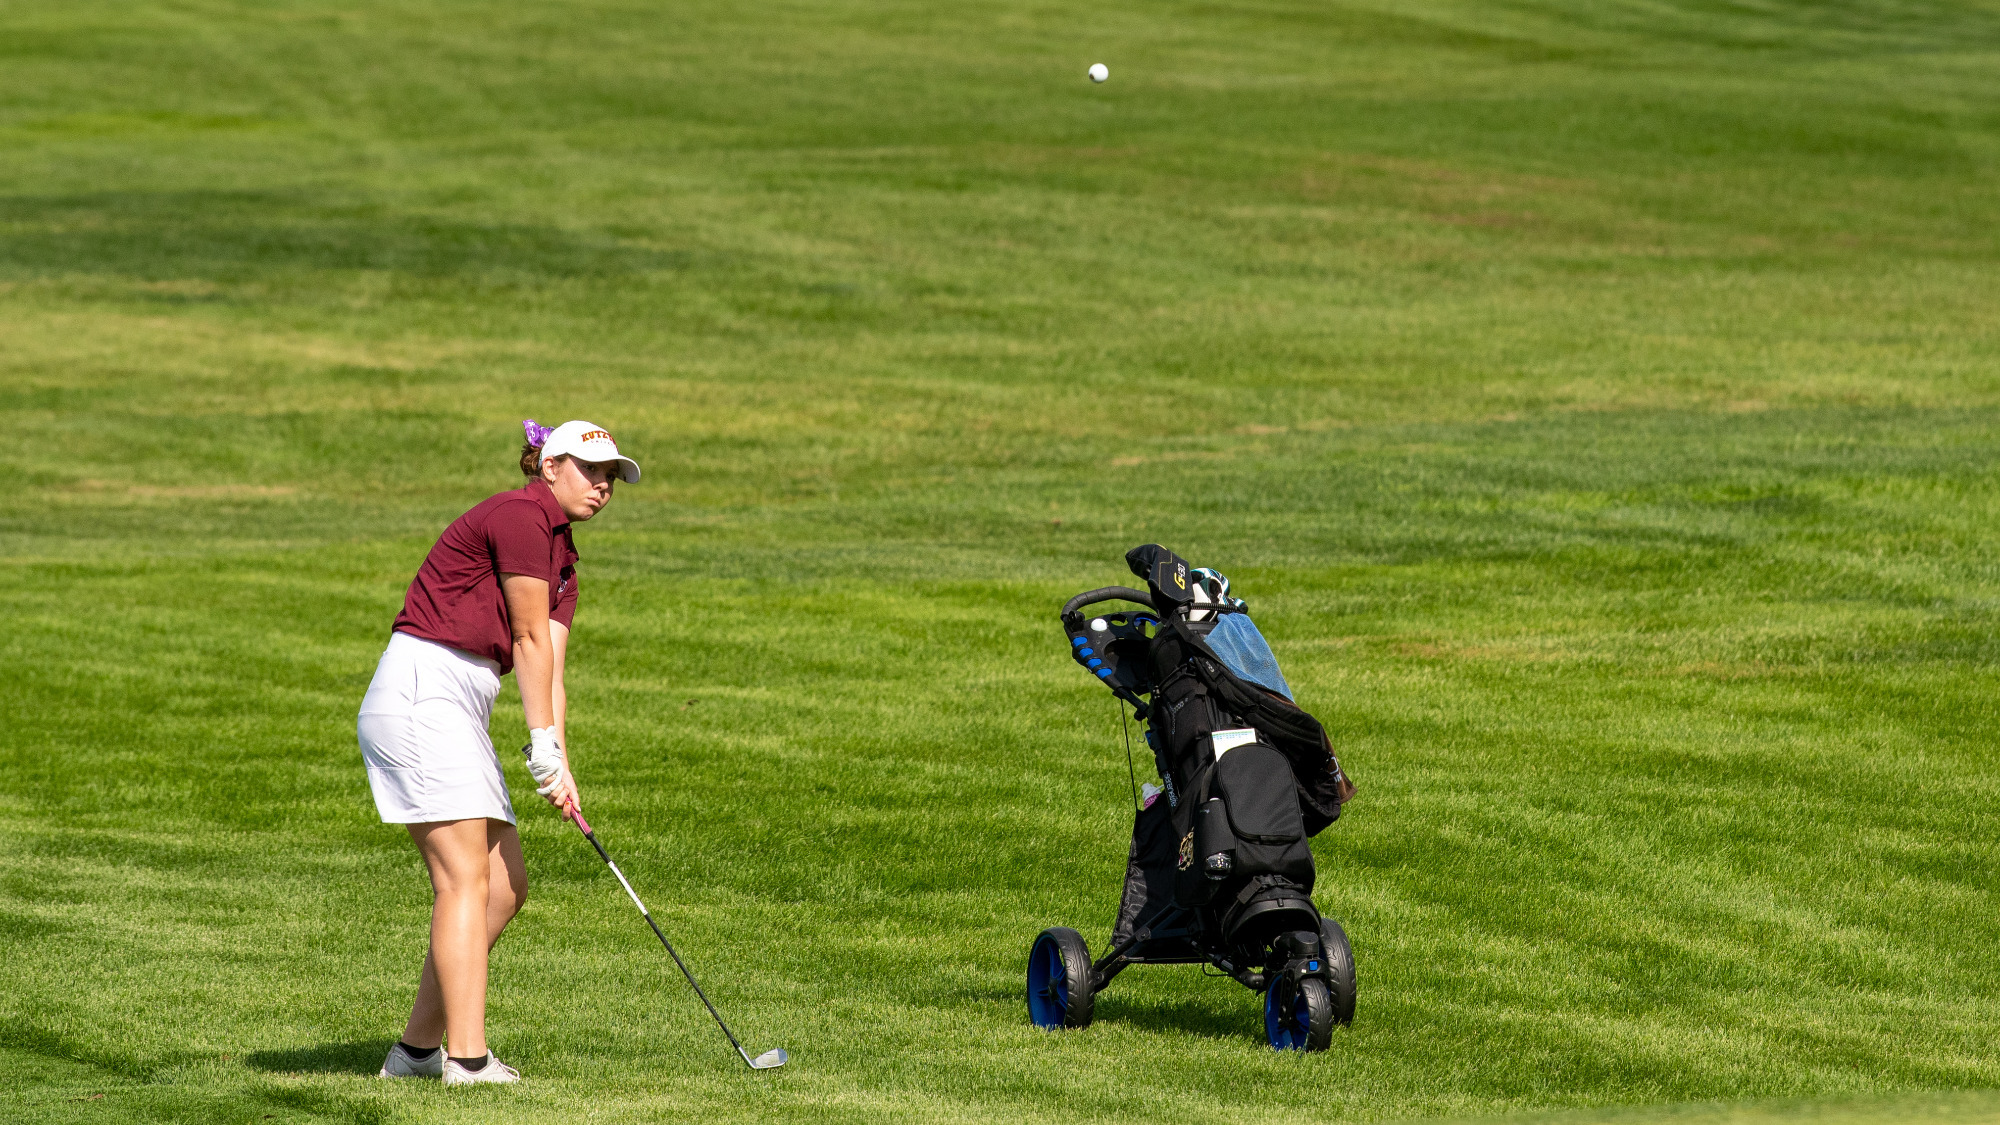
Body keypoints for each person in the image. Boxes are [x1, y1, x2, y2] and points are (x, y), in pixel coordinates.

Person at [357, 419, 640, 1086]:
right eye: (588, 470)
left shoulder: (563, 558)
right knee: (464, 879)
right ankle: (468, 1058)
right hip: (424, 689)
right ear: (548, 466)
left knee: (504, 886)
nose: (601, 486)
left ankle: (416, 1052)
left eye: (610, 477)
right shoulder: (519, 516)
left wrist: (559, 761)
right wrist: (539, 743)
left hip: (461, 702)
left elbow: (553, 667)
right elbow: (526, 639)